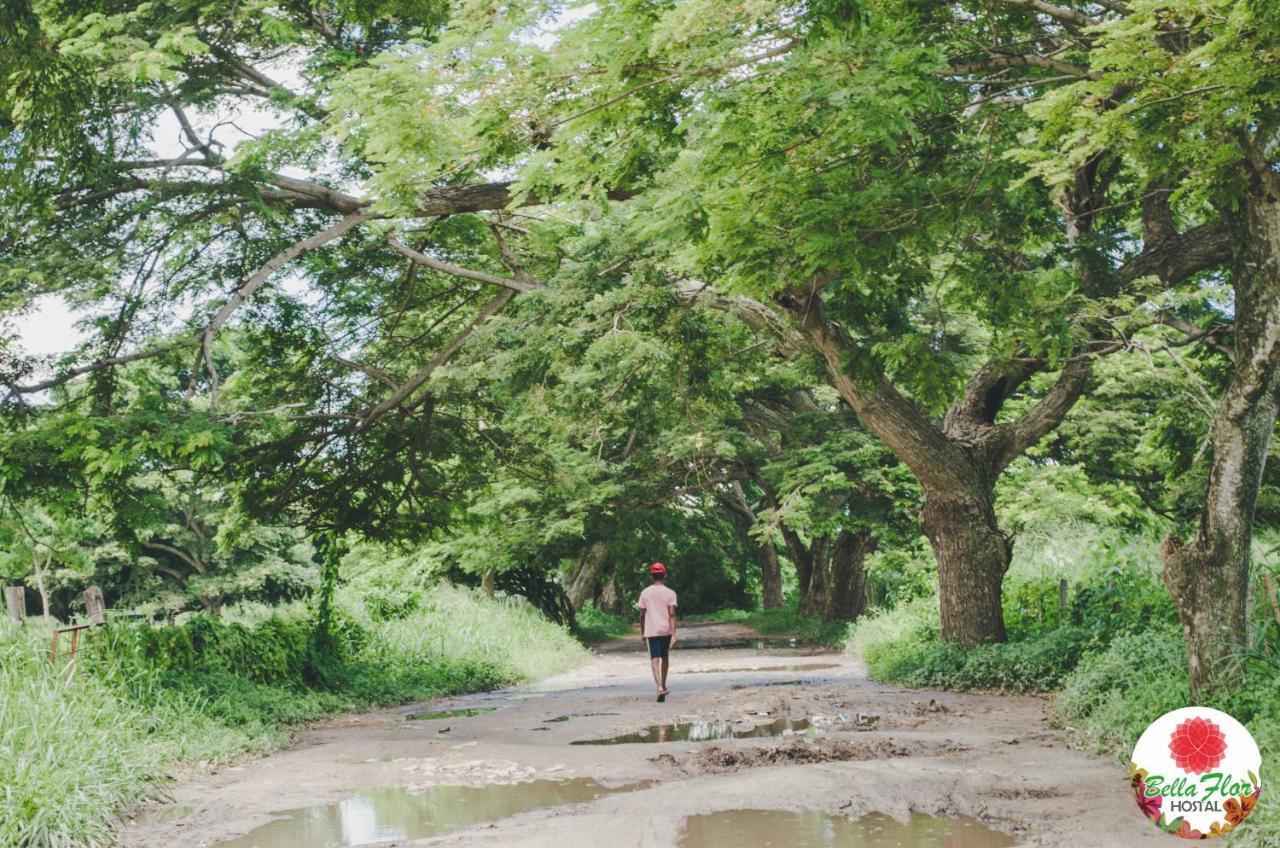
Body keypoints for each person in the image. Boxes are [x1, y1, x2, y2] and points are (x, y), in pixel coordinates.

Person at [637, 562, 677, 702]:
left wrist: (642, 633)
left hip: (651, 630)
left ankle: (659, 687)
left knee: (654, 659)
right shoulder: (670, 593)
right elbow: (672, 615)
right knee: (665, 657)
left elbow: (642, 615)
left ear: (652, 576)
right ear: (664, 575)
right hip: (665, 630)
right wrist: (673, 634)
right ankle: (664, 685)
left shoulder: (645, 593)